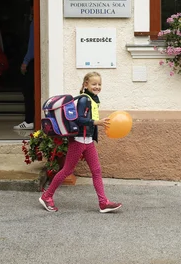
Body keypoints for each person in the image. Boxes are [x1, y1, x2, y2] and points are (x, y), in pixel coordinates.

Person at [39, 72, 122, 213]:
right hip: (78, 140)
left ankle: (103, 203)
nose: (97, 87)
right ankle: (46, 196)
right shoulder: (84, 100)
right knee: (67, 170)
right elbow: (78, 119)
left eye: (99, 84)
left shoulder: (94, 99)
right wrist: (97, 122)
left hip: (88, 141)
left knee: (96, 170)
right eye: (94, 84)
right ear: (85, 85)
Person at [14, 5, 35, 130]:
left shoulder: (34, 23)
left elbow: (32, 45)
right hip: (34, 60)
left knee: (28, 92)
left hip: (32, 61)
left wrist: (25, 61)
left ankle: (29, 120)